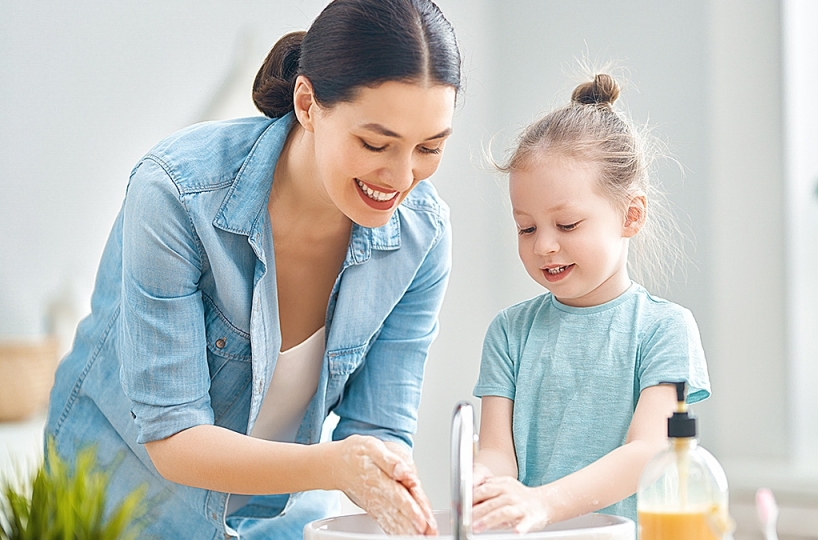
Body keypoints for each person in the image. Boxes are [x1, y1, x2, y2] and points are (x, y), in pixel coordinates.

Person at [44, 0, 461, 537]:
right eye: (375, 143)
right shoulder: (176, 193)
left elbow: (379, 430)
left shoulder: (422, 237)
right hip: (123, 504)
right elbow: (175, 436)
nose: (402, 177)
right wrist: (335, 465)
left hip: (279, 516)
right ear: (308, 103)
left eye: (429, 148)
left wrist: (394, 497)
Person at [471, 73, 711, 533]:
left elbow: (648, 452)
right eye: (526, 228)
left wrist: (543, 503)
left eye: (567, 225)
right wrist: (485, 486)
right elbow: (498, 453)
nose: (544, 246)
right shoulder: (508, 332)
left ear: (631, 215)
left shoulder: (664, 328)